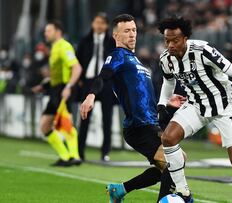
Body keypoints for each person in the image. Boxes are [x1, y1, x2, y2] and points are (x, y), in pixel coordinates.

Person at [157, 16, 232, 203]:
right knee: (168, 138)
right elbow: (168, 82)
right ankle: (184, 193)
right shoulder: (166, 60)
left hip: (225, 104)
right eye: (167, 40)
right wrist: (162, 104)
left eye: (175, 40)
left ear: (186, 38)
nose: (170, 45)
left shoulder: (203, 50)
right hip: (196, 105)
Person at [80, 14, 186, 202]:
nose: (132, 34)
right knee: (173, 162)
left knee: (171, 164)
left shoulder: (137, 62)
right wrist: (91, 95)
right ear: (116, 36)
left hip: (151, 124)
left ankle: (120, 190)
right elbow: (103, 76)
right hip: (138, 127)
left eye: (134, 30)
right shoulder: (117, 55)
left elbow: (145, 100)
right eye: (127, 31)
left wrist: (167, 104)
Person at [31, 20, 82, 166]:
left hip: (62, 90)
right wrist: (44, 85)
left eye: (48, 31)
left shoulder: (64, 46)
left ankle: (74, 156)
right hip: (55, 90)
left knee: (65, 123)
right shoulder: (54, 48)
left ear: (58, 32)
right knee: (45, 126)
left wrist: (68, 87)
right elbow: (57, 73)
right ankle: (66, 156)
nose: (45, 33)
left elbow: (77, 68)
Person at [76, 12, 116, 161]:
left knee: (107, 120)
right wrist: (80, 80)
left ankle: (105, 152)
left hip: (106, 83)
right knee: (84, 118)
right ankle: (79, 152)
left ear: (106, 25)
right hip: (88, 83)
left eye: (102, 23)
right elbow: (77, 61)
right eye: (96, 22)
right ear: (92, 24)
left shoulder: (112, 42)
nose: (99, 25)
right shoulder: (84, 41)